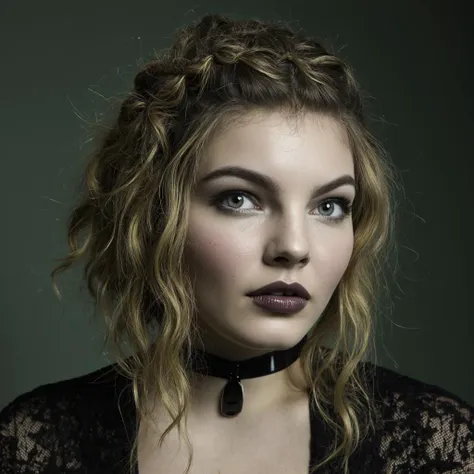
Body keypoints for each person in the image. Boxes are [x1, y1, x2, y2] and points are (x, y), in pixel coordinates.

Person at [1, 13, 473, 474]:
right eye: (240, 198)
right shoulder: (37, 441)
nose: (293, 246)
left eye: (329, 206)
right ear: (154, 214)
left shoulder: (434, 441)